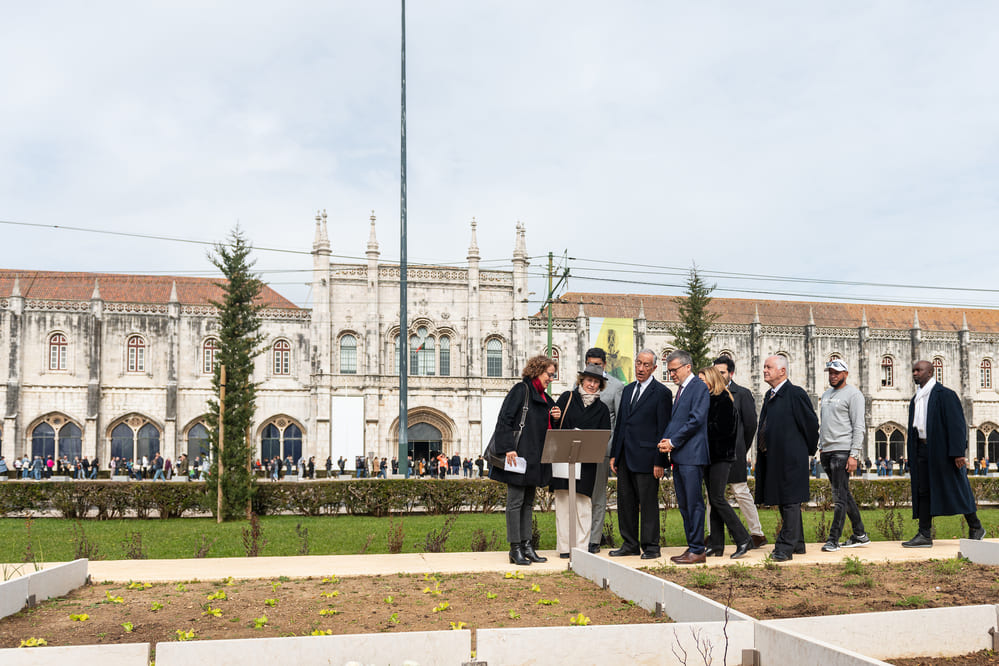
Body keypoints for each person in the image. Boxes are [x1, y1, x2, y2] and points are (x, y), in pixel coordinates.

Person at [903, 360, 986, 547]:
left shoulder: (945, 395)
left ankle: (976, 526)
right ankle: (924, 534)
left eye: (919, 370)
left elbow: (957, 424)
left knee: (956, 487)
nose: (915, 373)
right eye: (914, 370)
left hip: (943, 451)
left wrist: (958, 453)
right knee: (923, 490)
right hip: (922, 450)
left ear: (931, 372)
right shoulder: (916, 398)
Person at [489, 354, 561, 566]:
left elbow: (548, 429)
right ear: (537, 371)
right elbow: (504, 419)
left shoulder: (546, 398)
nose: (551, 378)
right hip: (518, 457)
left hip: (535, 459)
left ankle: (527, 545)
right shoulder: (521, 390)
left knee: (528, 503)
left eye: (553, 375)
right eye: (549, 374)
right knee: (515, 502)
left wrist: (555, 417)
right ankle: (515, 548)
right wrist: (508, 448)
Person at [755, 354, 818, 562]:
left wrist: (803, 451)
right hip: (773, 457)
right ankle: (798, 542)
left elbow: (810, 425)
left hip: (791, 458)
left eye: (769, 367)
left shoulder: (795, 394)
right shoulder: (769, 395)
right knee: (784, 501)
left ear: (782, 371)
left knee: (790, 500)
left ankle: (785, 547)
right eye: (764, 367)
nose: (765, 370)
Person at [609, 349, 671, 560]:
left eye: (646, 365)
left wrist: (660, 461)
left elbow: (663, 429)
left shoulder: (661, 393)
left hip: (648, 458)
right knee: (625, 503)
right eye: (638, 363)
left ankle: (651, 546)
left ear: (654, 368)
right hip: (625, 457)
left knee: (648, 504)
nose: (641, 368)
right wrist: (614, 455)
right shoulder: (627, 391)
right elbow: (621, 425)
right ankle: (630, 544)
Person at [550, 364, 612, 558]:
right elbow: (553, 425)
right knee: (563, 505)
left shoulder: (602, 409)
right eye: (589, 381)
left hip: (586, 462)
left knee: (583, 506)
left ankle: (582, 548)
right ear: (581, 381)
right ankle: (565, 548)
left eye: (596, 382)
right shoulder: (566, 398)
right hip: (564, 460)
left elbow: (605, 435)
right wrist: (555, 417)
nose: (592, 385)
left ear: (600, 385)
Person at [657, 350, 711, 564]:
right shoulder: (682, 390)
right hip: (681, 456)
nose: (671, 374)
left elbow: (696, 420)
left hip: (692, 455)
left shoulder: (698, 387)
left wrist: (673, 441)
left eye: (674, 370)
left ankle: (698, 550)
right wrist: (666, 440)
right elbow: (678, 421)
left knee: (693, 503)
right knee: (685, 504)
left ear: (687, 367)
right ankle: (693, 547)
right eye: (669, 370)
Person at [713, 356, 767, 549]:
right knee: (714, 494)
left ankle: (757, 533)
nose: (719, 376)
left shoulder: (742, 394)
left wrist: (741, 446)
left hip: (734, 451)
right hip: (715, 453)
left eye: (722, 373)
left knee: (740, 491)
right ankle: (713, 535)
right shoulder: (710, 393)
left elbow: (751, 424)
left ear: (731, 373)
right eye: (716, 372)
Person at [699, 366, 752, 559]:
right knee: (713, 499)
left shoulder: (722, 400)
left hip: (721, 456)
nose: (699, 383)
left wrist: (700, 429)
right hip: (711, 456)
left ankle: (743, 537)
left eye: (702, 380)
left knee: (718, 499)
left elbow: (722, 430)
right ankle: (716, 543)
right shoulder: (709, 400)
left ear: (711, 381)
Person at [817, 359, 870, 552]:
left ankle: (833, 539)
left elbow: (858, 426)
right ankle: (860, 534)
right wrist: (821, 446)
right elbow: (824, 423)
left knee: (838, 497)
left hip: (842, 451)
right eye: (830, 372)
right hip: (827, 451)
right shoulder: (826, 394)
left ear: (845, 374)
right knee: (844, 494)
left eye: (836, 373)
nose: (833, 376)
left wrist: (854, 454)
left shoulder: (854, 395)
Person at [582, 347, 625, 555]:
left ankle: (594, 539)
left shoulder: (616, 386)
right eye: (590, 364)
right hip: (580, 448)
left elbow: (619, 421)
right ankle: (580, 535)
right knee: (582, 494)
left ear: (604, 365)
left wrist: (614, 451)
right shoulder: (579, 384)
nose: (594, 369)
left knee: (597, 495)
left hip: (603, 448)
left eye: (597, 365)